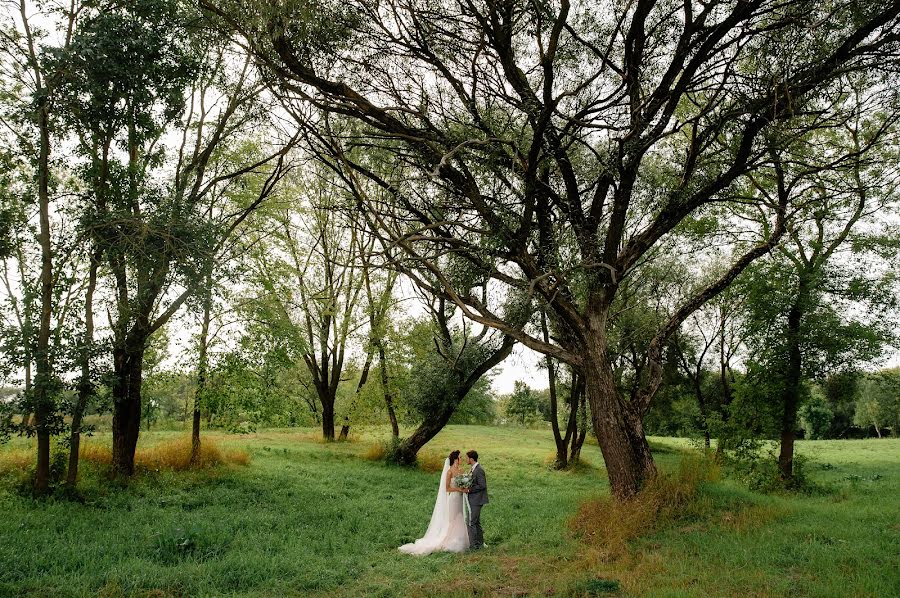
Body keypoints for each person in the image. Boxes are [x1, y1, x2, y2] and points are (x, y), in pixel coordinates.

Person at [398, 450, 470, 555]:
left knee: (461, 517)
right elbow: (447, 488)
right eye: (460, 457)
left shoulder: (462, 470)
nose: (461, 459)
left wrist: (465, 486)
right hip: (453, 499)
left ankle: (463, 540)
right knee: (453, 519)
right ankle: (451, 541)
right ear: (455, 459)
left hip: (460, 499)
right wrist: (459, 490)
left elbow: (463, 484)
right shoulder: (449, 472)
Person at [462, 449, 487, 550]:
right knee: (476, 522)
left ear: (471, 459)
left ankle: (474, 546)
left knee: (471, 522)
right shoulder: (473, 469)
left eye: (467, 458)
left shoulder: (479, 470)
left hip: (477, 500)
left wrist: (469, 490)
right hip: (474, 499)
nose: (466, 459)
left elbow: (482, 485)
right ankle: (479, 543)